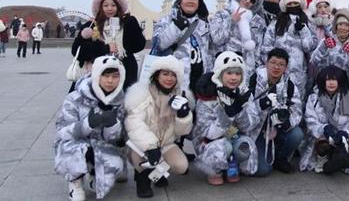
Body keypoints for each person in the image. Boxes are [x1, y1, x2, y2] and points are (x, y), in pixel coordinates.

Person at [55, 56, 127, 201]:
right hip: (76, 144)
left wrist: (112, 125)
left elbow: (119, 140)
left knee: (116, 164)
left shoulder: (120, 101)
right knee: (76, 152)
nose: (110, 81)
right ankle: (75, 182)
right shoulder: (75, 98)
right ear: (96, 75)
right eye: (105, 75)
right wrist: (87, 124)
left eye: (115, 76)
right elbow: (62, 131)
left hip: (102, 146)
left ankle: (95, 174)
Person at [125, 56, 193, 198]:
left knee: (181, 166)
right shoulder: (142, 94)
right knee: (141, 160)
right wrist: (151, 146)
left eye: (173, 75)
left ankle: (157, 172)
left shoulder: (180, 96)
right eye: (165, 74)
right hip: (143, 146)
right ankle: (142, 179)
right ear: (156, 75)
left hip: (166, 143)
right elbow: (134, 124)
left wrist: (183, 115)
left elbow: (181, 132)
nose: (169, 78)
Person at [192, 51, 259, 185]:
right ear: (220, 74)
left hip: (235, 137)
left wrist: (238, 109)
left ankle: (233, 165)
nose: (234, 78)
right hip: (209, 142)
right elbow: (207, 133)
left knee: (246, 144)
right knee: (224, 147)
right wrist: (227, 115)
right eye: (229, 73)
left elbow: (249, 125)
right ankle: (215, 170)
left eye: (237, 73)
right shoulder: (207, 97)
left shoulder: (244, 93)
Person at [300, 65, 349, 175]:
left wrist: (345, 132)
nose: (331, 83)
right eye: (328, 79)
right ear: (322, 81)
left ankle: (334, 163)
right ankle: (322, 159)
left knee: (346, 155)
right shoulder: (313, 98)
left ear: (340, 81)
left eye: (334, 79)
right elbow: (310, 120)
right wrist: (324, 128)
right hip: (322, 138)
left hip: (342, 138)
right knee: (323, 144)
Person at [73, 0, 146, 90]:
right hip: (97, 75)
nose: (109, 8)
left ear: (118, 7)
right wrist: (106, 48)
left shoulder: (127, 23)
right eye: (105, 5)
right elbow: (76, 50)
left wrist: (131, 25)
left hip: (124, 73)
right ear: (100, 7)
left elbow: (139, 46)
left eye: (113, 5)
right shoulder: (92, 25)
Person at [247, 48, 304, 176]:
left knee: (297, 134)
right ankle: (264, 155)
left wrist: (287, 123)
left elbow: (297, 111)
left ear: (286, 67)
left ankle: (280, 158)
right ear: (266, 63)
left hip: (279, 129)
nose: (276, 67)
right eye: (273, 62)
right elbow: (244, 110)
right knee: (262, 171)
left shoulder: (289, 85)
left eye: (281, 64)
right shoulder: (253, 80)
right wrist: (262, 104)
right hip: (258, 130)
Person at [152, 0, 211, 93]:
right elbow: (159, 44)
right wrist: (176, 27)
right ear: (180, 1)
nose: (190, 1)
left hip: (201, 82)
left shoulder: (204, 24)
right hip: (175, 82)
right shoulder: (166, 20)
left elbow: (210, 50)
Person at [260, 0, 315, 101]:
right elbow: (266, 46)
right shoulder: (276, 23)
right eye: (289, 4)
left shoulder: (307, 22)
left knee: (296, 101)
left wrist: (303, 30)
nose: (293, 6)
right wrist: (270, 66)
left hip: (298, 71)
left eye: (295, 3)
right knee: (276, 99)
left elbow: (309, 47)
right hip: (277, 71)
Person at [210, 0, 265, 76]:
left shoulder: (258, 21)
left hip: (248, 71)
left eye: (252, 0)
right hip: (226, 68)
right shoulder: (222, 14)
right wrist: (232, 21)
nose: (248, 1)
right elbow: (216, 39)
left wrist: (256, 68)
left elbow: (258, 49)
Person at [310, 9, 349, 93]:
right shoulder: (327, 41)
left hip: (347, 89)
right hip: (326, 87)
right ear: (335, 26)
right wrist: (323, 47)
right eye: (340, 24)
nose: (343, 28)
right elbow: (314, 61)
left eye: (347, 25)